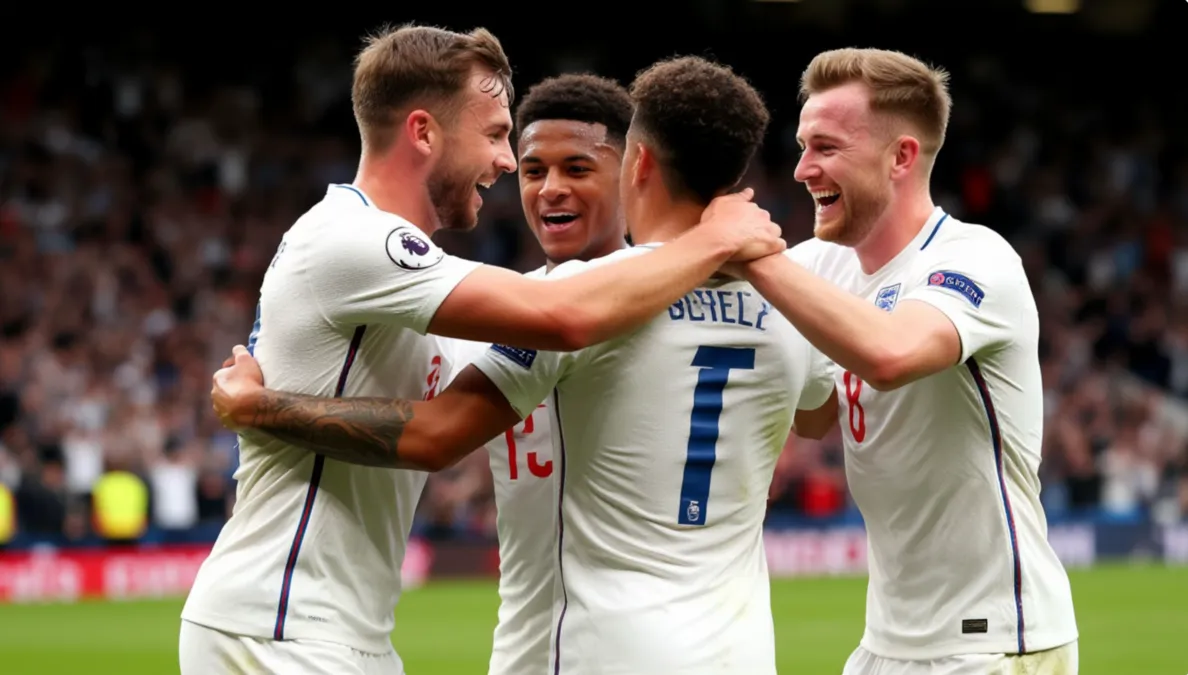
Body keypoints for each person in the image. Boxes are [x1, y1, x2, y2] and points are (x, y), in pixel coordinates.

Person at [178, 25, 783, 675]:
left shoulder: (413, 285)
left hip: (333, 628)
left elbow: (439, 432)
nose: (504, 161)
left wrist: (265, 404)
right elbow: (564, 316)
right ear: (423, 132)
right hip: (280, 623)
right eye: (495, 134)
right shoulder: (359, 241)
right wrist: (713, 240)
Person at [730, 48, 1079, 674]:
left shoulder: (975, 258)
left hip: (991, 642)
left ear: (901, 156)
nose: (804, 168)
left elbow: (891, 354)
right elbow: (813, 416)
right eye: (803, 145)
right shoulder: (822, 266)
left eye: (827, 147)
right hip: (887, 640)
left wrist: (754, 258)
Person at [436, 73, 634, 675]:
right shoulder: (502, 305)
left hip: (620, 644)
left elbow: (431, 437)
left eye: (577, 169)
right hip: (524, 644)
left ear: (634, 171)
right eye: (532, 170)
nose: (550, 190)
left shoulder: (662, 301)